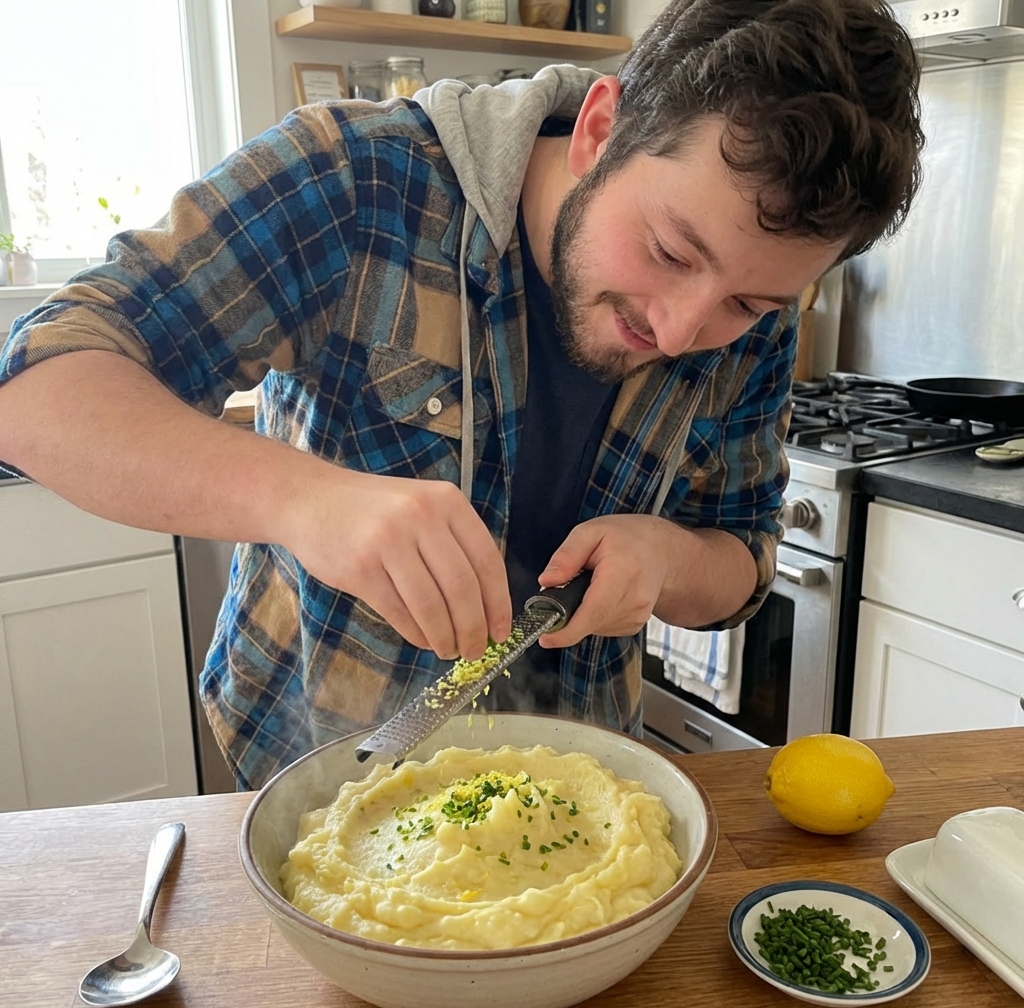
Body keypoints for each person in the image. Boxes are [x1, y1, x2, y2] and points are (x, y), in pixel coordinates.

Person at [0, 0, 923, 789]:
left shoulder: (751, 323)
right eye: (672, 252)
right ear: (601, 128)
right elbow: (38, 385)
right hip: (320, 765)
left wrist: (664, 559)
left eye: (747, 302)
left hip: (578, 789)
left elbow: (744, 558)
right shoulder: (358, 180)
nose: (681, 331)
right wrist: (302, 498)